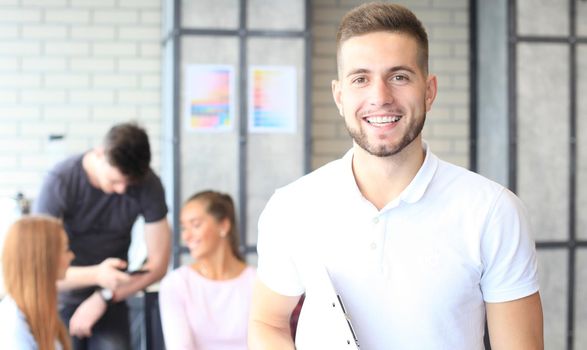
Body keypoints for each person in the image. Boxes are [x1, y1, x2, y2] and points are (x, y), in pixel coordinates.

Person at [249, 3, 543, 349]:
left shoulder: (493, 210)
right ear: (339, 96)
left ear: (429, 91)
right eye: (361, 79)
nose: (380, 97)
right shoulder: (292, 206)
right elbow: (267, 321)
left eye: (399, 76)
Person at [32, 122, 171, 350]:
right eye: (115, 181)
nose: (122, 190)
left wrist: (104, 295)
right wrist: (98, 275)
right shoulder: (60, 182)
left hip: (113, 297)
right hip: (59, 298)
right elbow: (39, 269)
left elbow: (158, 265)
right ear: (99, 153)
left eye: (129, 183)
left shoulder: (148, 185)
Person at [159, 190, 256, 350]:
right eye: (184, 228)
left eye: (195, 225)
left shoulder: (257, 282)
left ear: (224, 225)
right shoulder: (176, 284)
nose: (186, 236)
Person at [0, 215, 74, 350]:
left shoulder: (41, 311)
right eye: (65, 250)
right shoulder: (12, 328)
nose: (71, 256)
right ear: (44, 260)